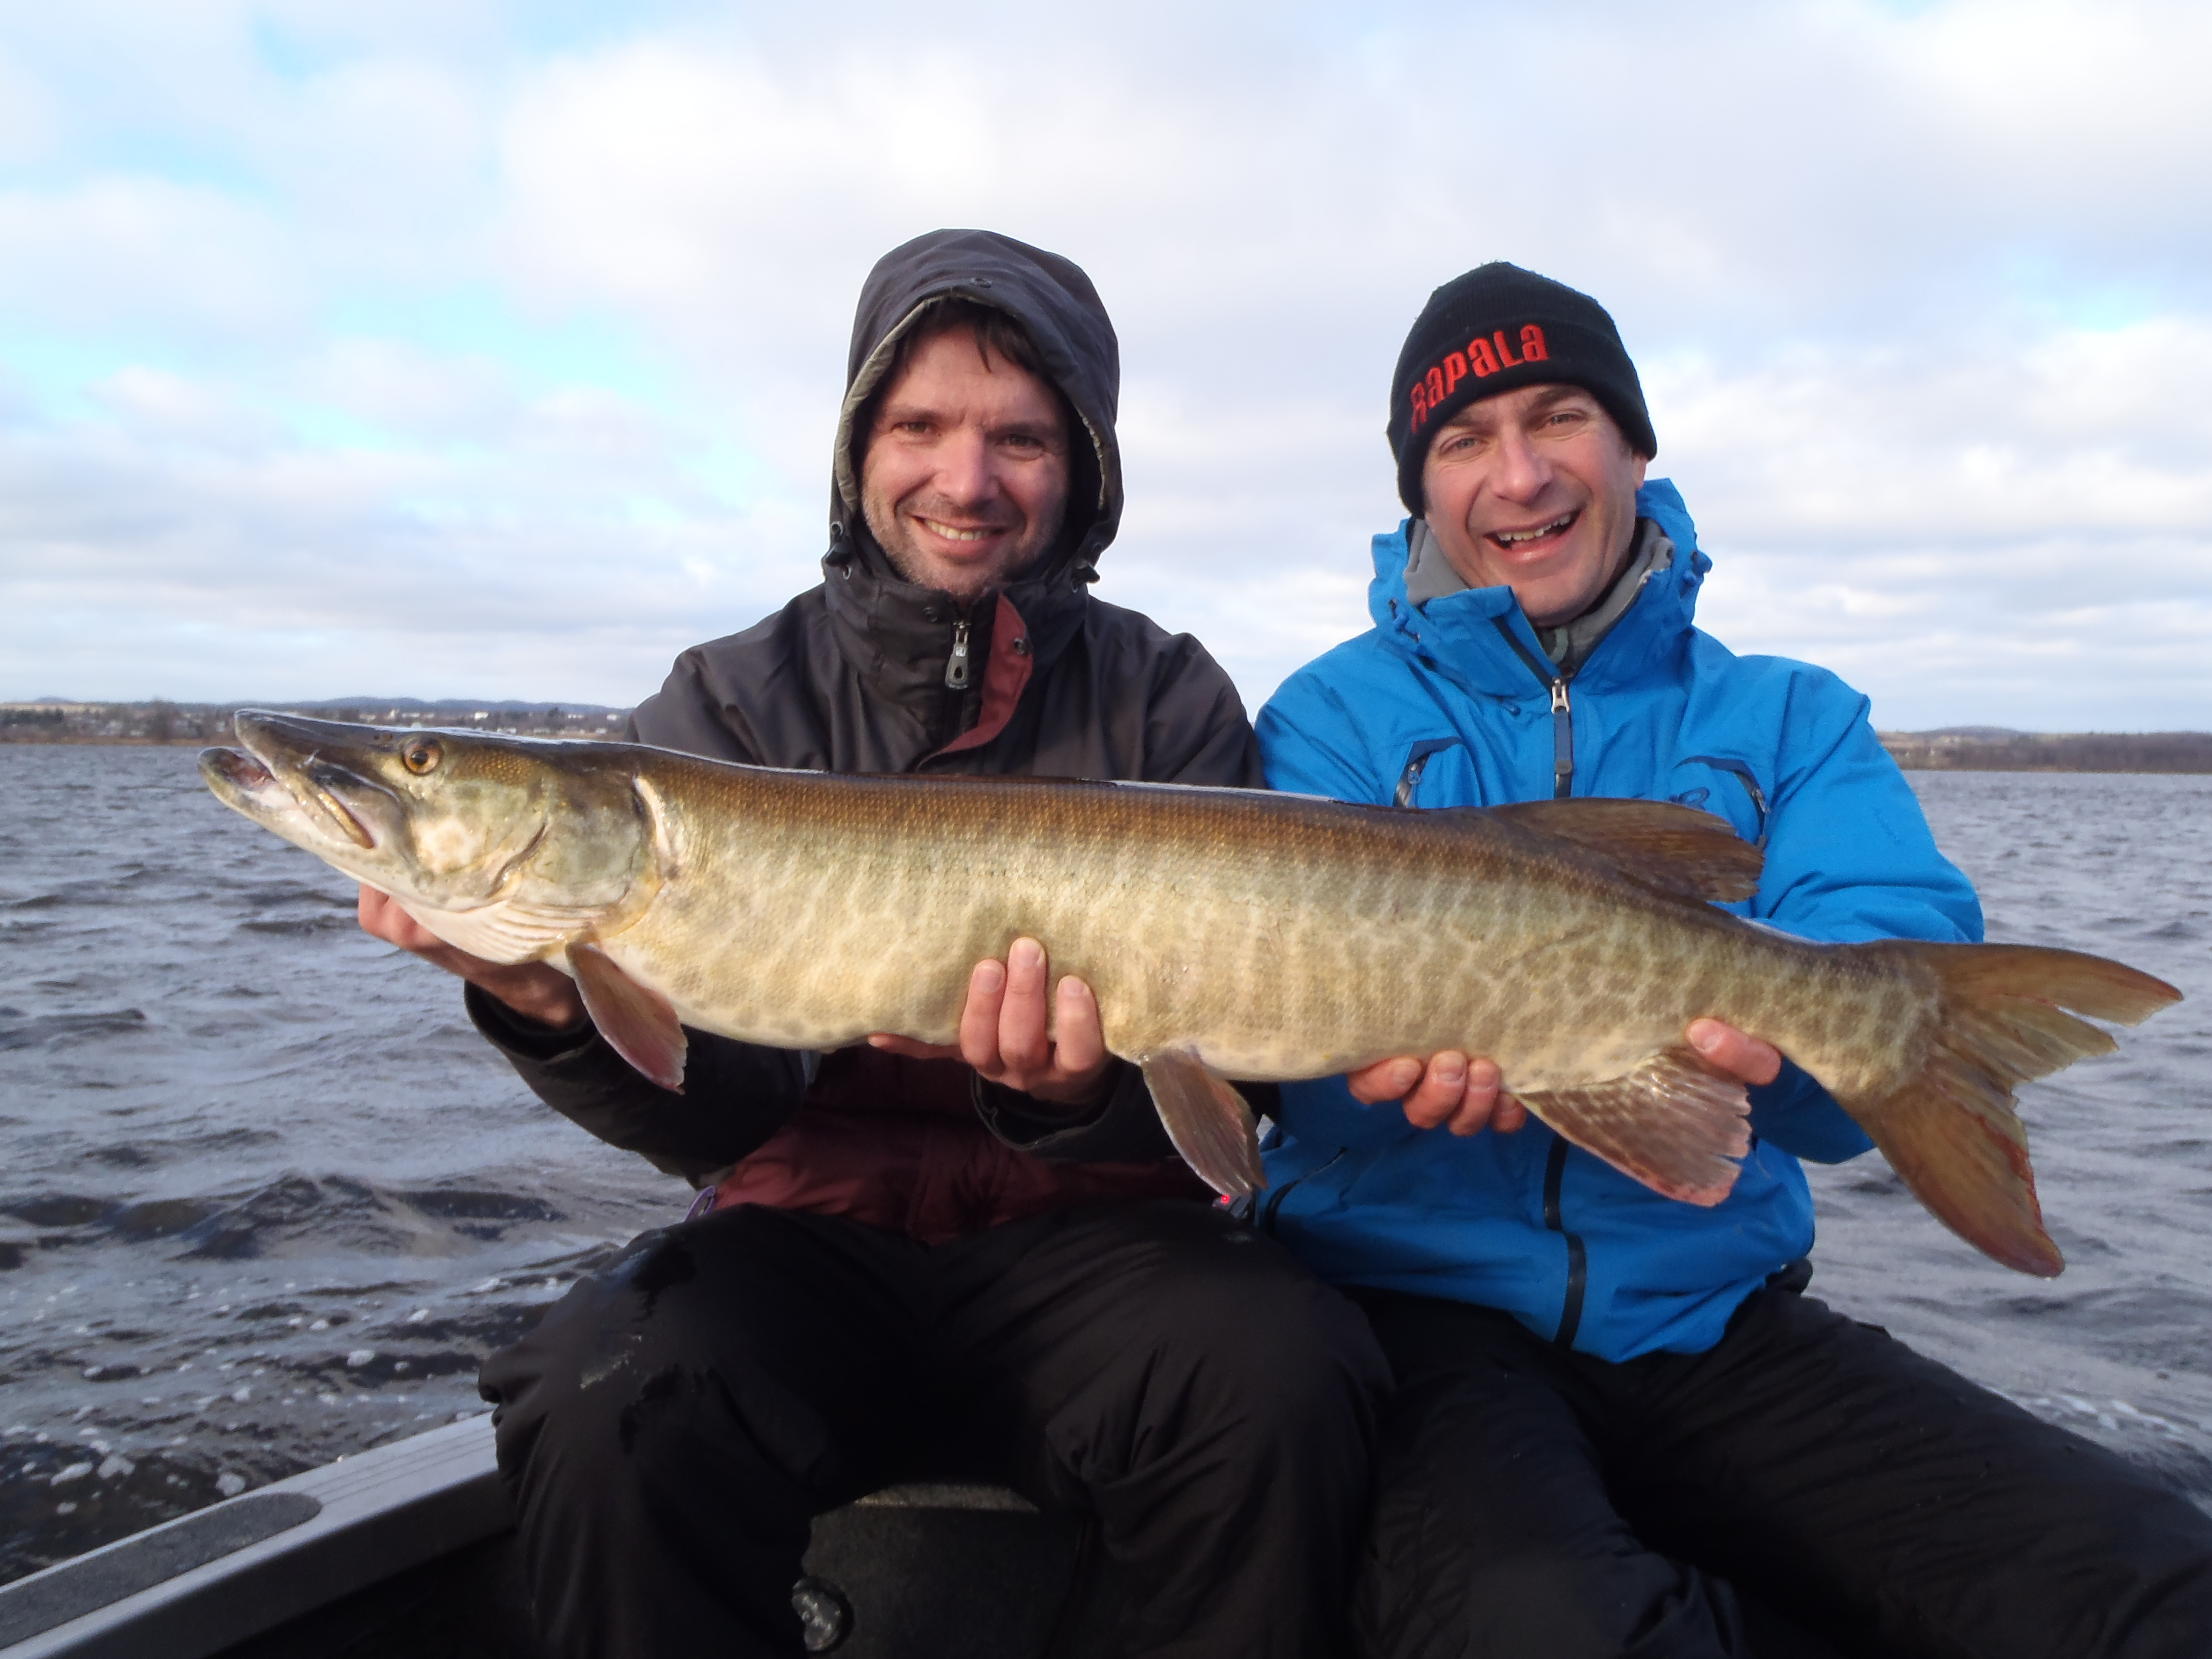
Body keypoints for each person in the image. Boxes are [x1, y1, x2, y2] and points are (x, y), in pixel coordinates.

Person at [358, 229, 1391, 1658]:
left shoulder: (1165, 695)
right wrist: (550, 1009)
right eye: (921, 427)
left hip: (1100, 1254)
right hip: (808, 1245)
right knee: (606, 1395)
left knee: (1288, 1378)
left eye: (1020, 438)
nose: (966, 480)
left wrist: (1067, 1099)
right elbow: (712, 1118)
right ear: (858, 450)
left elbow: (1236, 1087)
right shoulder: (726, 702)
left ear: (1081, 469)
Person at [1250, 262, 2212, 1658]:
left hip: (1714, 1321)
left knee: (2155, 1588)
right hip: (1419, 1330)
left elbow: (1848, 1074)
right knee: (1554, 1626)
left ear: (1634, 447)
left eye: (1559, 416)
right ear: (1422, 492)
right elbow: (1284, 1068)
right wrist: (1373, 1086)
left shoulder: (1792, 719)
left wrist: (1777, 1044)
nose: (1518, 475)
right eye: (1464, 441)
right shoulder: (1327, 719)